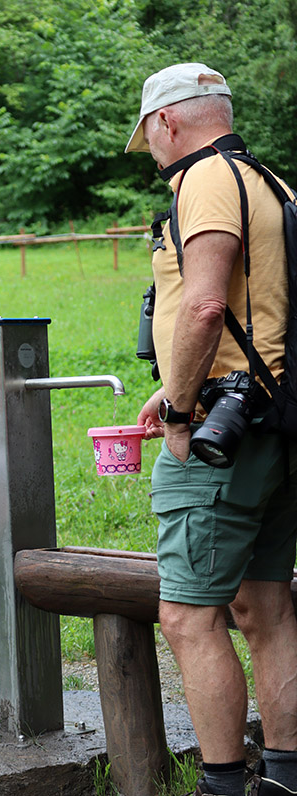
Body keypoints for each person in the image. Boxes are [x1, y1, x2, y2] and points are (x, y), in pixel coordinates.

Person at [127, 63, 297, 796]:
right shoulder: (273, 182)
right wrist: (170, 384)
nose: (154, 155)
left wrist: (178, 408)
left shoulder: (203, 181)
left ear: (167, 122)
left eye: (151, 139)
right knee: (266, 605)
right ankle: (287, 778)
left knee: (187, 617)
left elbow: (202, 306)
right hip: (276, 421)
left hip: (220, 437)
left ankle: (224, 786)